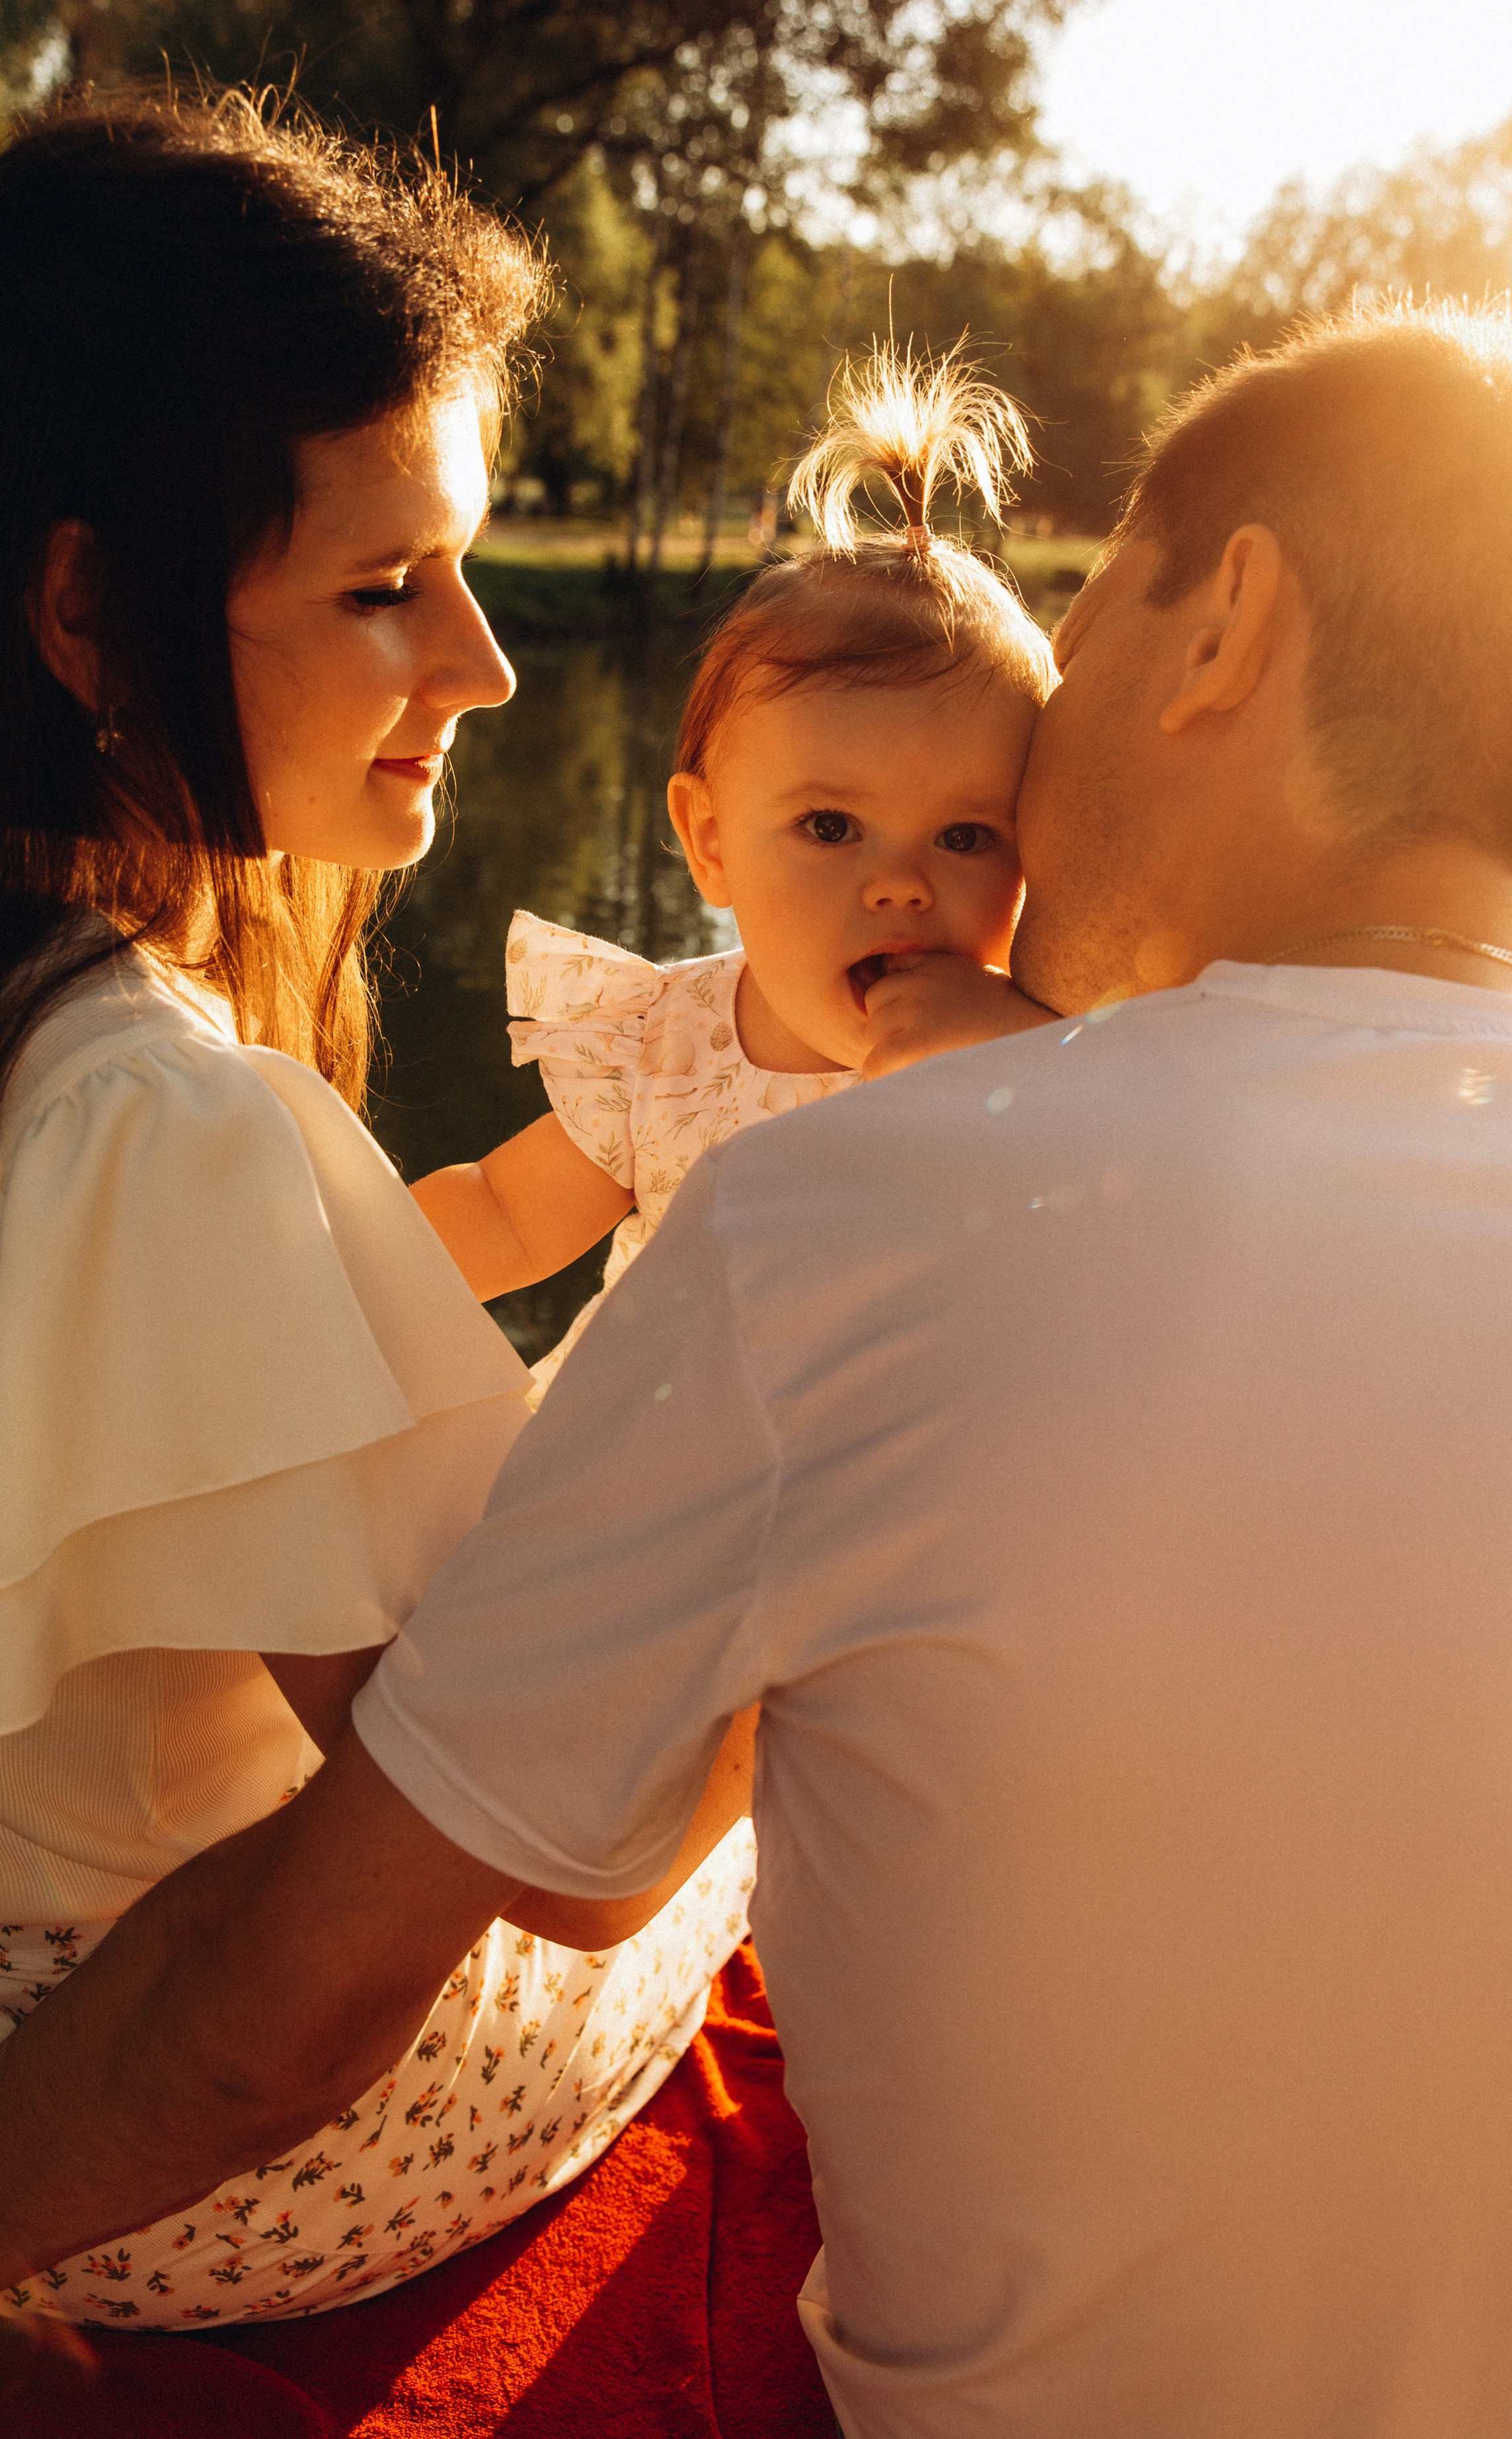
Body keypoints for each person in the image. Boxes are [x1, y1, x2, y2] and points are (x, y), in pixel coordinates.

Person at [9, 298, 1512, 2439]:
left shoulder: (872, 1211)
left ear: (1223, 627)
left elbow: (277, 2006)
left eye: (1081, 634)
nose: (1007, 799)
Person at [0, 88, 754, 2340]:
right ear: (85, 608)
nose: (486, 665)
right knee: (746, 1790)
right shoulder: (159, 1122)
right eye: (380, 585)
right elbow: (563, 1840)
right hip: (155, 2144)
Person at [411, 344, 1056, 1368]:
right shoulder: (662, 1046)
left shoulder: (1035, 1063)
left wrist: (1026, 1061)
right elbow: (502, 1215)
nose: (901, 884)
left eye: (965, 836)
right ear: (710, 842)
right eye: (830, 828)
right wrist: (314, 1269)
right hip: (652, 1450)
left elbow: (1119, 1242)